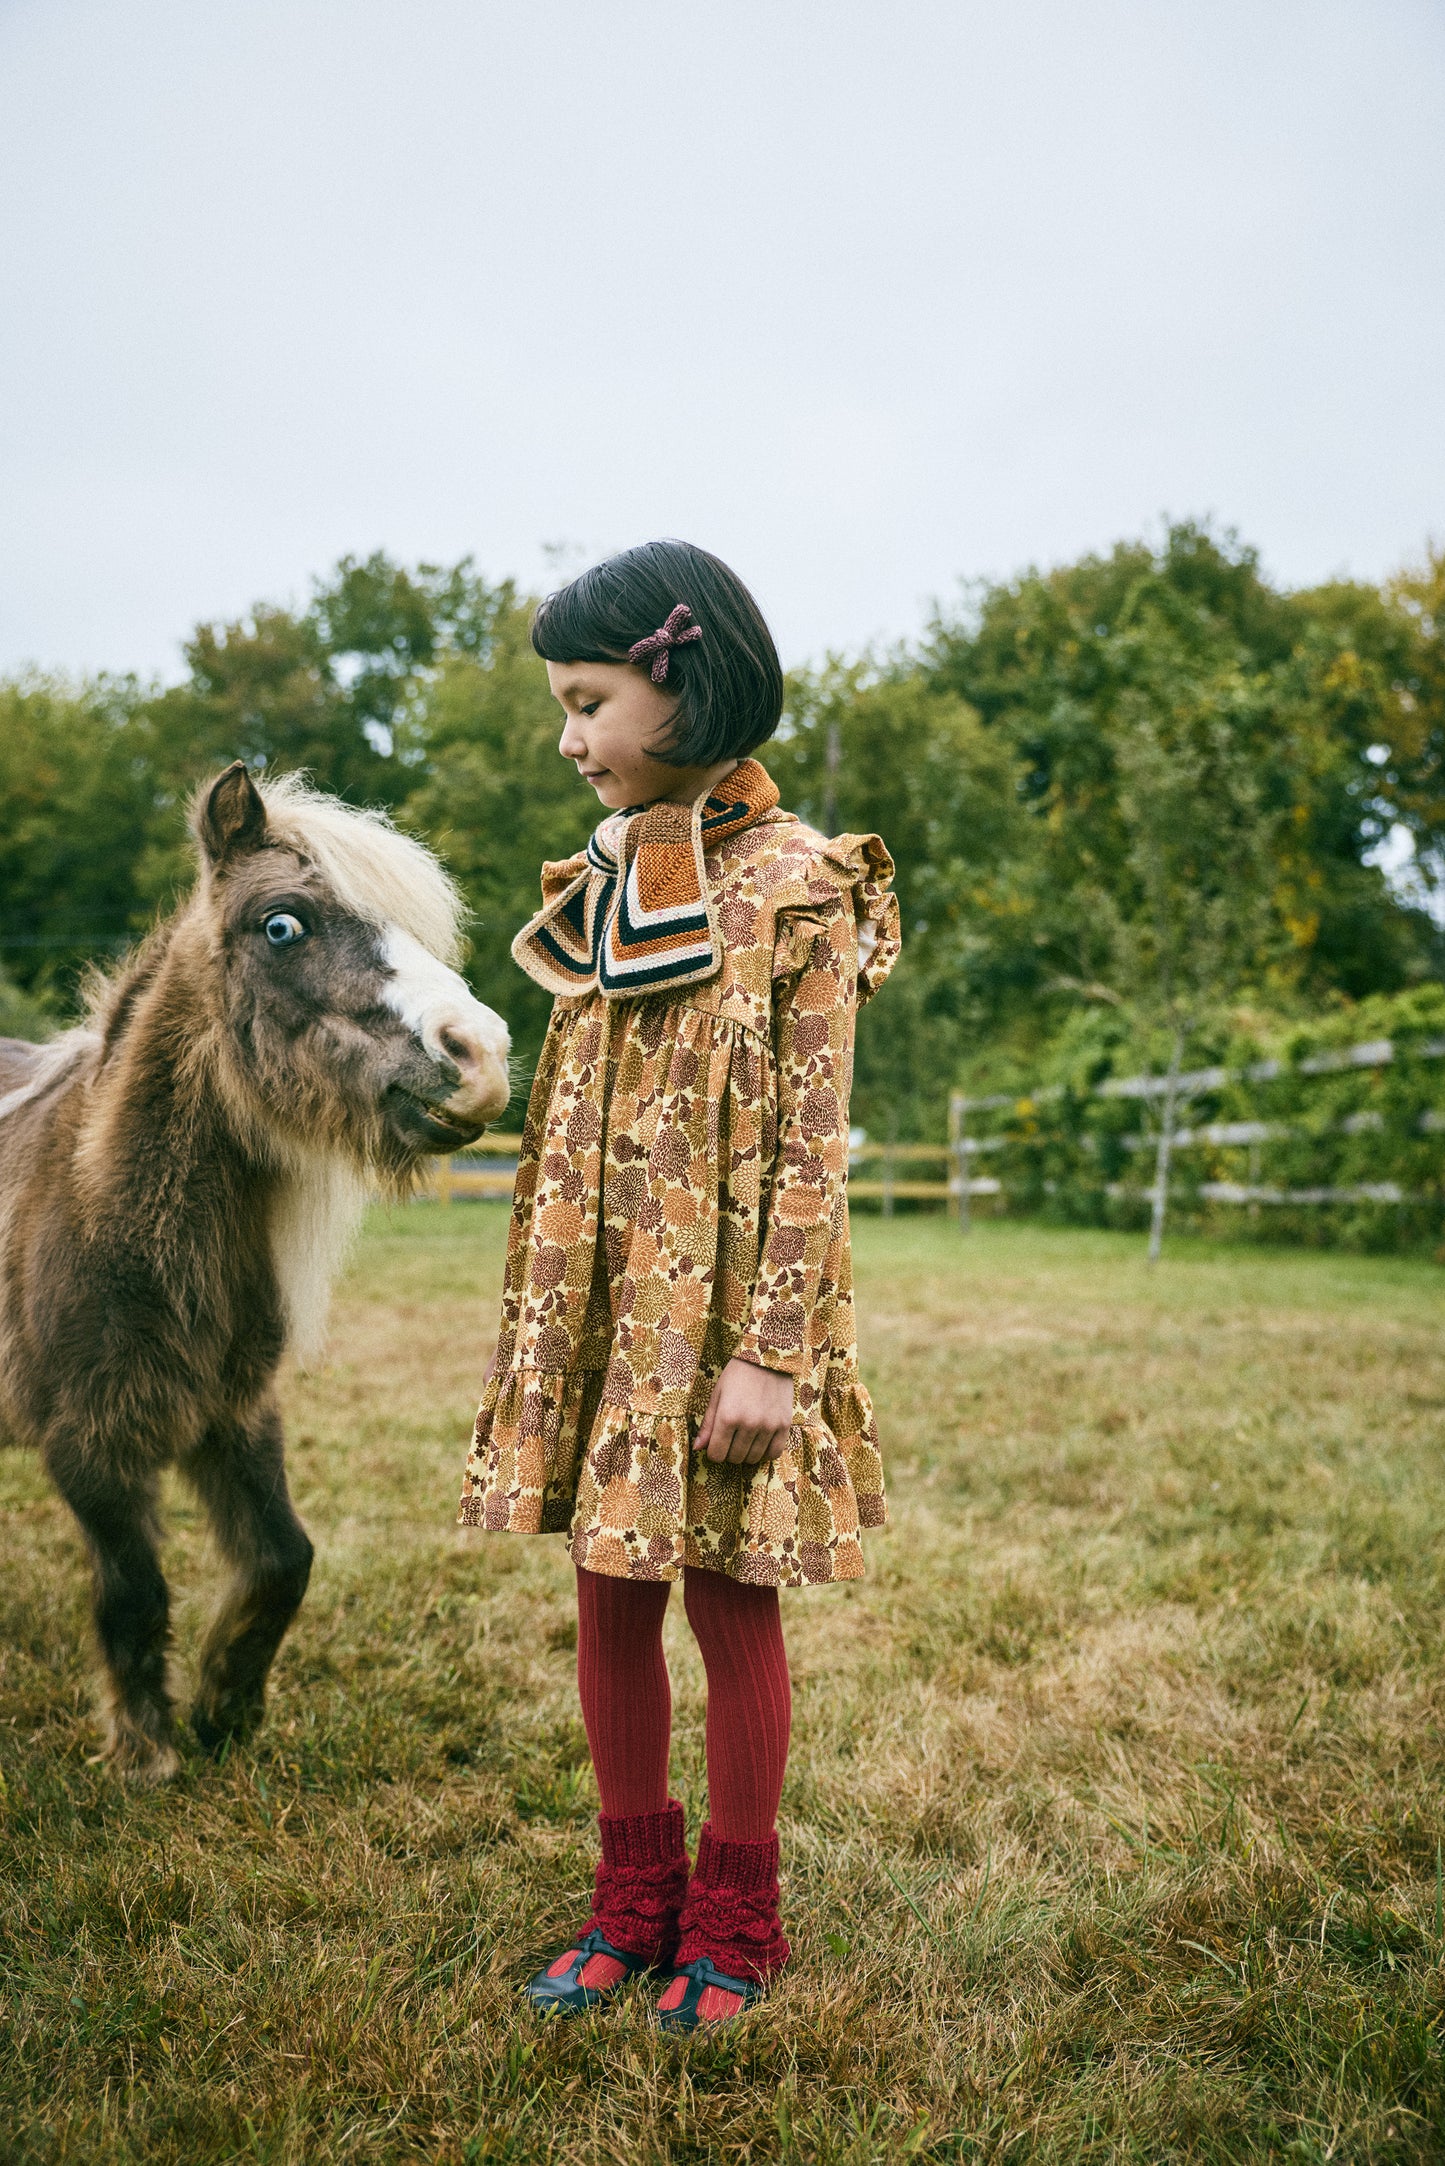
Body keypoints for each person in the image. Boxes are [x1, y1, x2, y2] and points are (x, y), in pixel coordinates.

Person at [458, 538, 899, 2031]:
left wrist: (770, 1350)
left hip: (722, 1322)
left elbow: (810, 1144)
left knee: (723, 1592)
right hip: (601, 1303)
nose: (568, 737)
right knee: (605, 1587)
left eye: (587, 701)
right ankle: (629, 1898)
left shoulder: (803, 882)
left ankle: (736, 1911)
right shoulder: (607, 879)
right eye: (563, 707)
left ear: (677, 675)